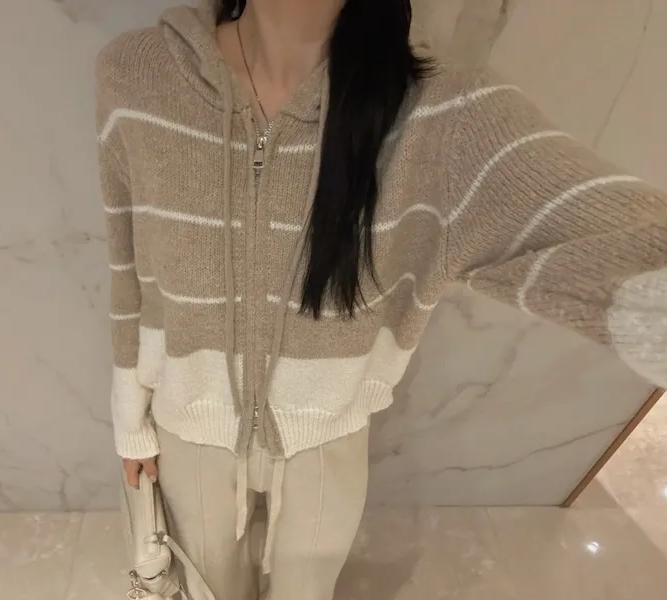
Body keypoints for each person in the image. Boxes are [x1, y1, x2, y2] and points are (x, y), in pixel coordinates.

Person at [94, 1, 667, 598]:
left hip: (328, 438)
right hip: (189, 428)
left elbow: (622, 248)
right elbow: (127, 261)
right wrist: (131, 421)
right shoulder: (136, 76)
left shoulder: (442, 118)